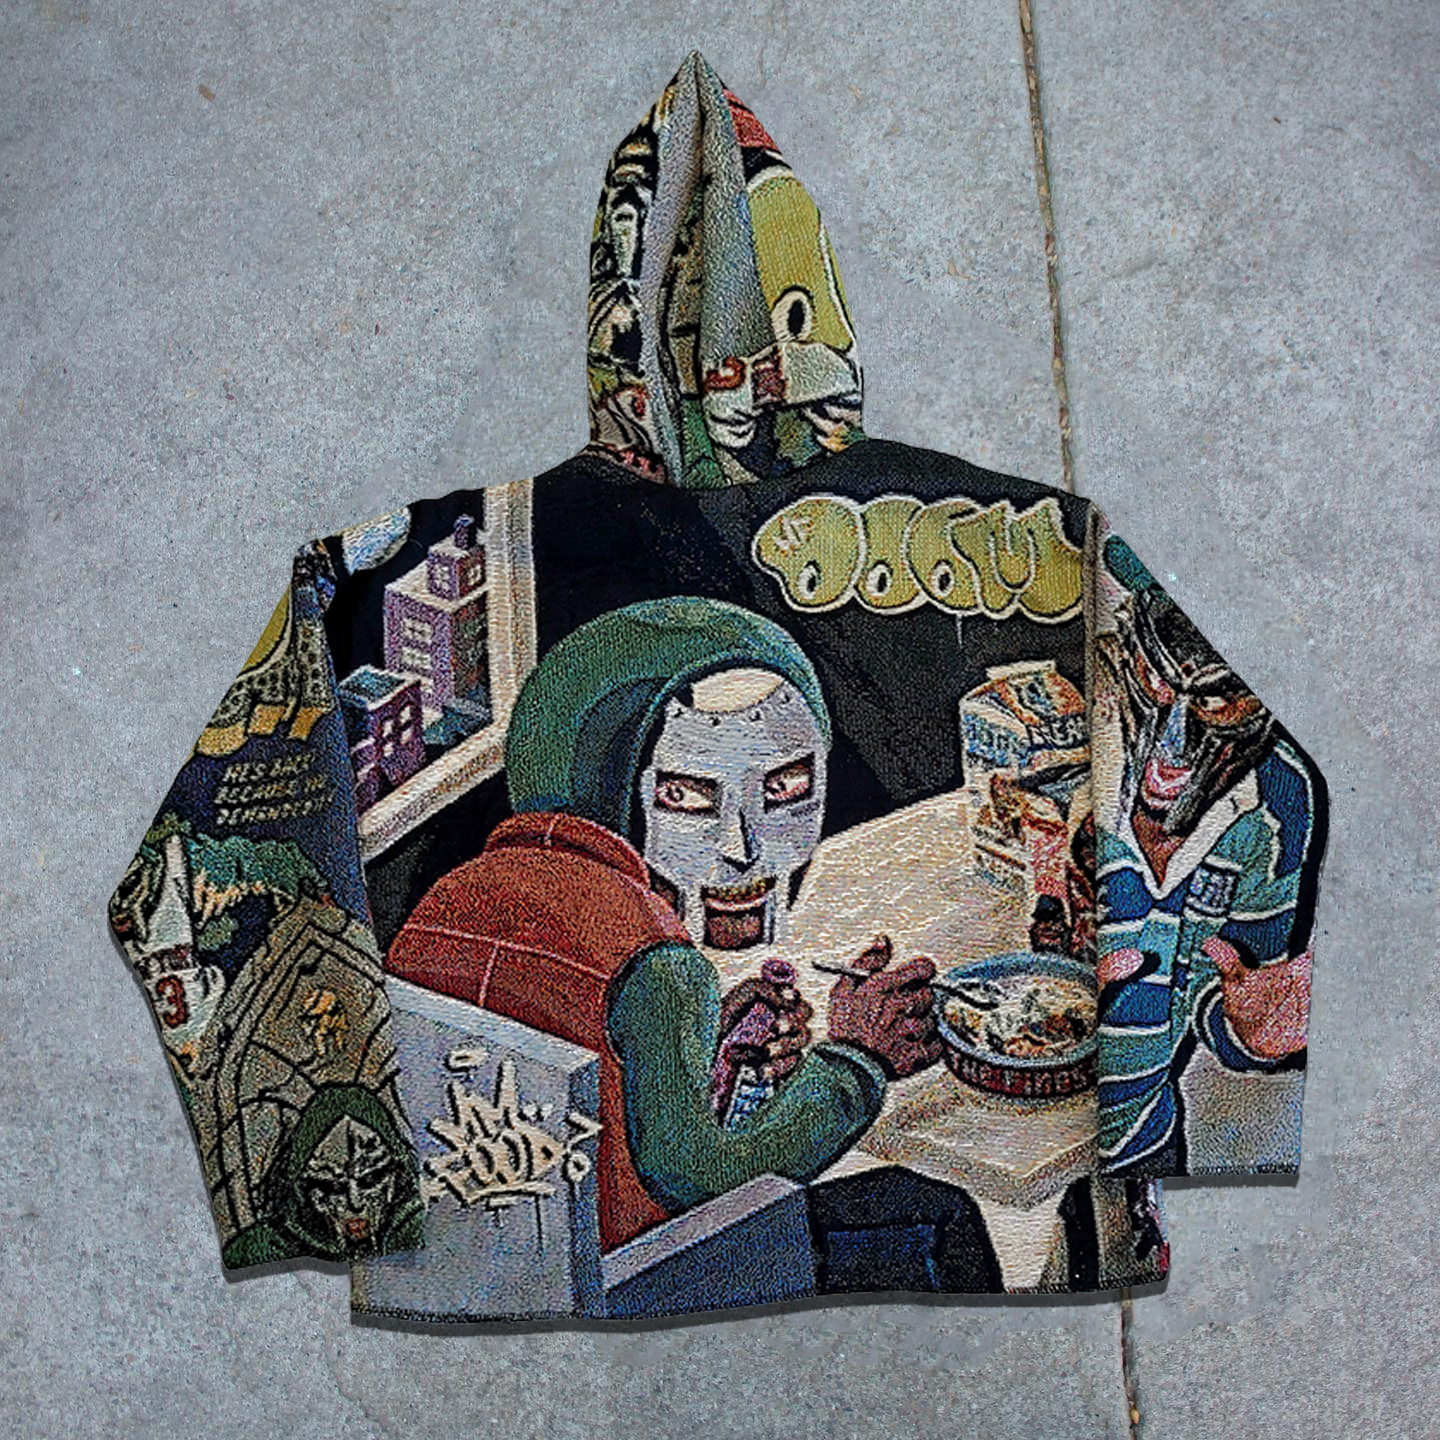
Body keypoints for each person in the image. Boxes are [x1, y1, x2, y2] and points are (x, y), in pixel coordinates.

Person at [385, 596, 941, 1251]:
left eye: (785, 788)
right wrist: (855, 1061)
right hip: (630, 1277)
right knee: (936, 1211)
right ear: (615, 784)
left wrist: (696, 1047)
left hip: (476, 1253)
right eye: (683, 796)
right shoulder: (654, 962)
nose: (740, 849)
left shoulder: (447, 900)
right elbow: (705, 1182)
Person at [1093, 536, 1322, 1174]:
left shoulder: (1281, 800)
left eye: (1217, 699)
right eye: (1157, 679)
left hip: (1147, 1145)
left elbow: (1224, 990)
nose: (1172, 746)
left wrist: (1247, 1030)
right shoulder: (1058, 748)